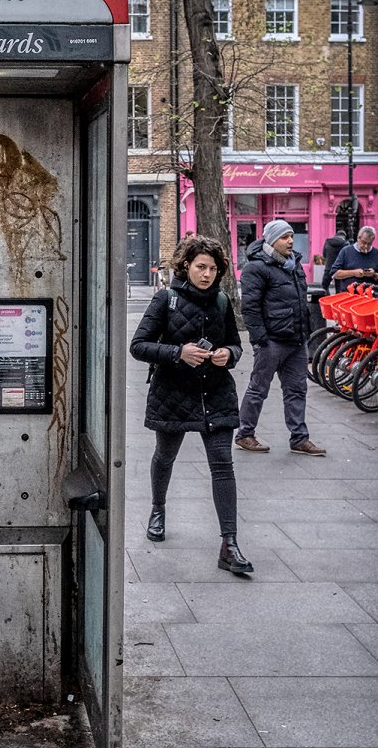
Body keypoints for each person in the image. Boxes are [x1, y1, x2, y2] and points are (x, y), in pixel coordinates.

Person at [129, 234, 253, 576]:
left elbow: (234, 343)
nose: (207, 274)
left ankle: (230, 545)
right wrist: (177, 352)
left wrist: (229, 355)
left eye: (213, 268)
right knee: (165, 455)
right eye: (201, 266)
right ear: (186, 266)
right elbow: (138, 346)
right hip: (174, 394)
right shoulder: (165, 298)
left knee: (223, 465)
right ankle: (158, 508)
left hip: (215, 394)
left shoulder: (223, 301)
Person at [235, 219, 326, 457]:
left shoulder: (293, 264)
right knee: (258, 389)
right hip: (271, 342)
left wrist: (304, 333)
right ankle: (245, 434)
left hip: (296, 341)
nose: (290, 241)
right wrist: (260, 339)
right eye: (285, 237)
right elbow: (250, 307)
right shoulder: (256, 268)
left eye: (291, 237)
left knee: (297, 390)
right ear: (271, 240)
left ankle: (299, 438)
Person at [325, 225, 378, 292]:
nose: (366, 246)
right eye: (364, 242)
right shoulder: (346, 251)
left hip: (370, 296)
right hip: (348, 295)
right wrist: (354, 273)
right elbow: (334, 273)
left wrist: (375, 275)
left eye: (369, 244)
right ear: (358, 238)